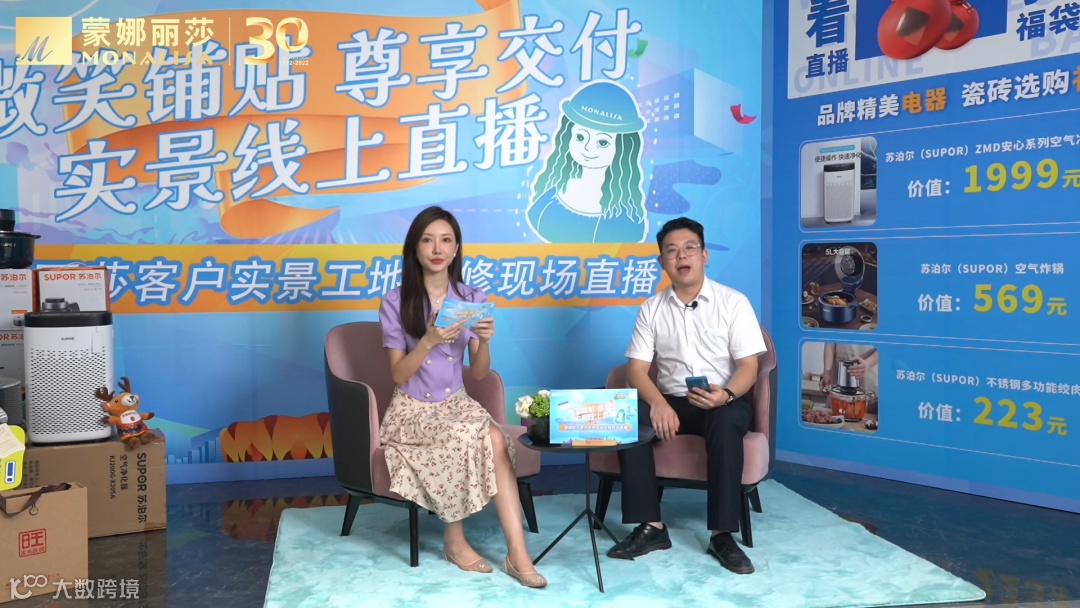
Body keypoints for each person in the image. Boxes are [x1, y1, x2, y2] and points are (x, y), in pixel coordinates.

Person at [378, 206, 546, 588]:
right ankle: (454, 539)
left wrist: (485, 341)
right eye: (427, 240)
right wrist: (428, 341)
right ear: (414, 248)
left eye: (446, 240)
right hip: (413, 409)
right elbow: (398, 375)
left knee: (495, 437)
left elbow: (480, 372)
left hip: (457, 402)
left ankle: (518, 554)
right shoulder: (395, 301)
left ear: (456, 249)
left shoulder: (470, 298)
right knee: (465, 435)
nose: (437, 249)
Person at [608, 217, 766, 574]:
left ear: (704, 255)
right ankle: (651, 527)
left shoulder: (733, 302)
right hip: (673, 401)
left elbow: (748, 367)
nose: (682, 256)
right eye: (672, 250)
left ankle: (722, 534)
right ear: (662, 261)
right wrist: (658, 403)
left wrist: (726, 395)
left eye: (690, 248)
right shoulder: (651, 308)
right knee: (628, 415)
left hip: (721, 400)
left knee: (725, 422)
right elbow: (636, 370)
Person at [527, 80, 649, 243]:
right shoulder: (551, 190)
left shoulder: (626, 217)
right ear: (567, 136)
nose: (587, 148)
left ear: (623, 148)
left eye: (603, 142)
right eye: (580, 137)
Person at [820, 343, 878, 414]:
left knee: (865, 415)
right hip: (838, 383)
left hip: (869, 380)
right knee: (836, 415)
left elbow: (887, 346)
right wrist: (827, 372)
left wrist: (868, 363)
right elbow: (830, 340)